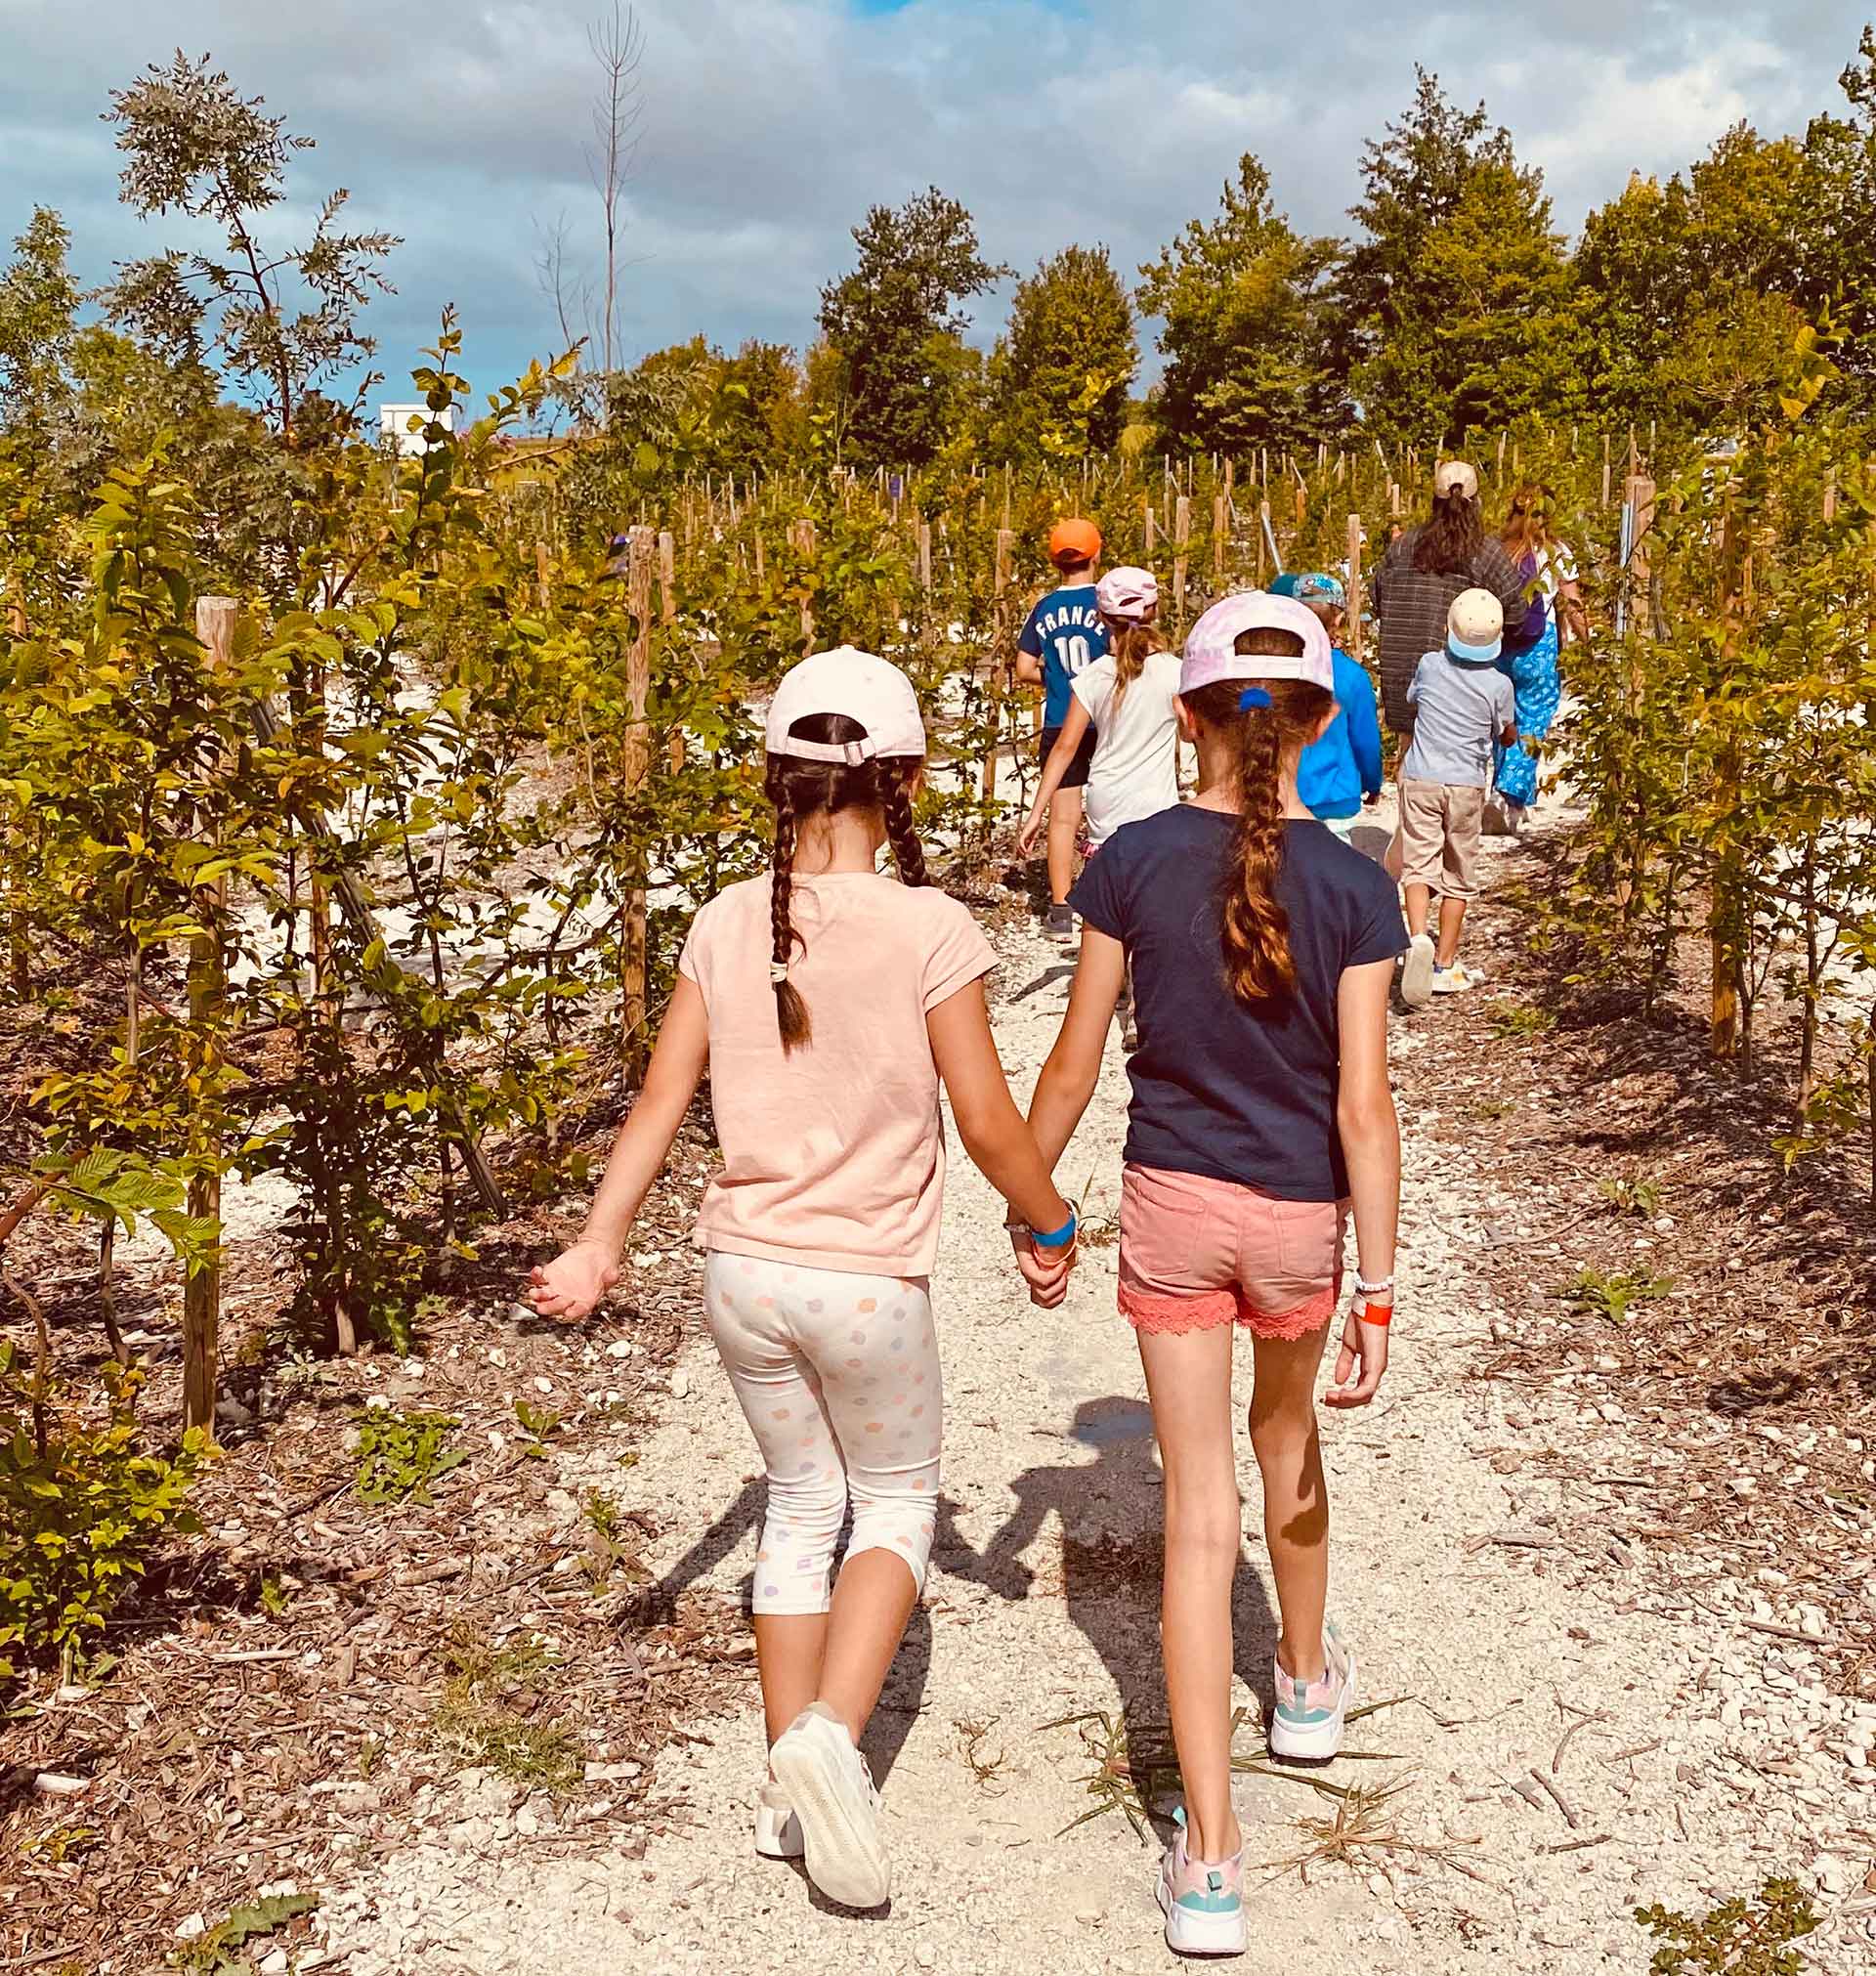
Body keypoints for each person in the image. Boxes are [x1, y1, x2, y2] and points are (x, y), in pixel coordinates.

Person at [526, 646, 1079, 1912]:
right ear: (906, 777)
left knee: (797, 1498)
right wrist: (1049, 1221)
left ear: (776, 775)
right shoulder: (932, 926)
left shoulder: (724, 919)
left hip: (741, 1277)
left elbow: (662, 1097)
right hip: (867, 1281)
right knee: (891, 1502)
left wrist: (600, 1241)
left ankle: (789, 1793)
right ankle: (831, 1733)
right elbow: (990, 1121)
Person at [1026, 593, 1403, 1959]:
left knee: (1198, 1514)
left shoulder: (1126, 858)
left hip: (1174, 1207)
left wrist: (1035, 1199)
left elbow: (1074, 1060)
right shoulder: (1359, 882)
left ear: (1178, 714)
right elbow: (1365, 1104)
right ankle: (1302, 1684)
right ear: (1322, 720)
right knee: (1286, 1439)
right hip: (1302, 1219)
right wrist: (1377, 1283)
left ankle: (1212, 1861)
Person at [1394, 591, 1519, 1005]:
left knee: (1418, 864)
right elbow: (1505, 731)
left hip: (1421, 777)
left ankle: (1416, 938)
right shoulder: (1500, 684)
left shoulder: (1430, 665)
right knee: (1457, 876)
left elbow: (1414, 700)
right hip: (1465, 785)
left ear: (1450, 630)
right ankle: (1444, 965)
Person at [1015, 566, 1181, 862]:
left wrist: (1036, 815)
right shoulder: (1177, 673)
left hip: (1106, 811)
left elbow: (1064, 750)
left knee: (1110, 901)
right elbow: (1197, 732)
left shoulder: (1092, 678)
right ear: (1154, 610)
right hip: (1158, 809)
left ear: (1102, 617)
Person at [1372, 460, 1532, 735]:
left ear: (1434, 500)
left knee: (1410, 759)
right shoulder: (1485, 553)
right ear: (1476, 501)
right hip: (1461, 687)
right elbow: (1516, 613)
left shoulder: (1400, 548)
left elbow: (1377, 602)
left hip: (1401, 680)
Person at [1015, 518, 1109, 940]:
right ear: (1097, 554)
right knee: (1111, 808)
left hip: (1059, 720)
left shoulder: (1044, 607)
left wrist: (1056, 681)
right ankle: (1110, 897)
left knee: (1062, 818)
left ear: (1056, 561)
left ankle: (1059, 907)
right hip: (1105, 718)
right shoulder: (1106, 602)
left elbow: (1022, 668)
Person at [1490, 483, 1583, 827]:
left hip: (1498, 644)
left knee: (1504, 717)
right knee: (1533, 723)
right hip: (1537, 647)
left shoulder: (1496, 549)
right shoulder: (1556, 551)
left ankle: (1504, 794)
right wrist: (1586, 643)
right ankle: (1510, 796)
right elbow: (1572, 603)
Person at [1274, 573, 1383, 838]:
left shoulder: (1275, 669)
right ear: (1338, 618)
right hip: (1335, 798)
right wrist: (1372, 781)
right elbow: (1365, 740)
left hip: (1280, 796)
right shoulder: (1351, 675)